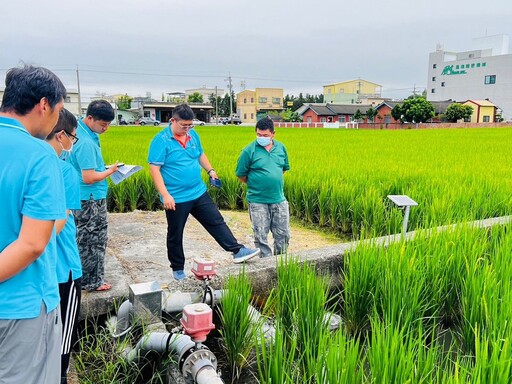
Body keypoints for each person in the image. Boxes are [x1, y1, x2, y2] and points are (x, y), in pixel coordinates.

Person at [0, 65, 67, 383]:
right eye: (59, 111)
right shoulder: (39, 154)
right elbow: (31, 243)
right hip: (21, 307)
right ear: (44, 105)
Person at [148, 104, 260, 281]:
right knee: (175, 233)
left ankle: (237, 250)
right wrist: (166, 195)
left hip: (198, 191)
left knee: (216, 220)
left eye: (189, 125)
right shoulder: (161, 140)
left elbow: (200, 154)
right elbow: (154, 169)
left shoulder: (193, 135)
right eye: (183, 125)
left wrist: (211, 171)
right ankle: (177, 269)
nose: (186, 129)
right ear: (172, 121)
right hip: (176, 197)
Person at [45, 109, 82, 384]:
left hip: (31, 270)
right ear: (61, 136)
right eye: (73, 138)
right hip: (63, 268)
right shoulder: (65, 171)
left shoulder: (25, 161)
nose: (72, 143)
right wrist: (34, 247)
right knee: (63, 337)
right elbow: (61, 219)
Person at [67, 100, 117, 291]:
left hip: (78, 195)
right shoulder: (86, 142)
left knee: (82, 237)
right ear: (89, 118)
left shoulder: (77, 131)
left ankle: (82, 277)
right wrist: (110, 171)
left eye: (108, 124)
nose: (106, 128)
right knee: (93, 239)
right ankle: (92, 282)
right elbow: (89, 177)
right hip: (90, 198)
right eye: (103, 124)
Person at [236, 117, 291, 258]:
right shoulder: (249, 151)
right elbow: (241, 174)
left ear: (273, 134)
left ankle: (281, 263)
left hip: (278, 199)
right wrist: (257, 183)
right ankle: (266, 266)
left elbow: (283, 169)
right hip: (257, 201)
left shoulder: (281, 148)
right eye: (259, 135)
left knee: (283, 235)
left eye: (265, 135)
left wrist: (270, 179)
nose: (262, 138)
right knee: (261, 236)